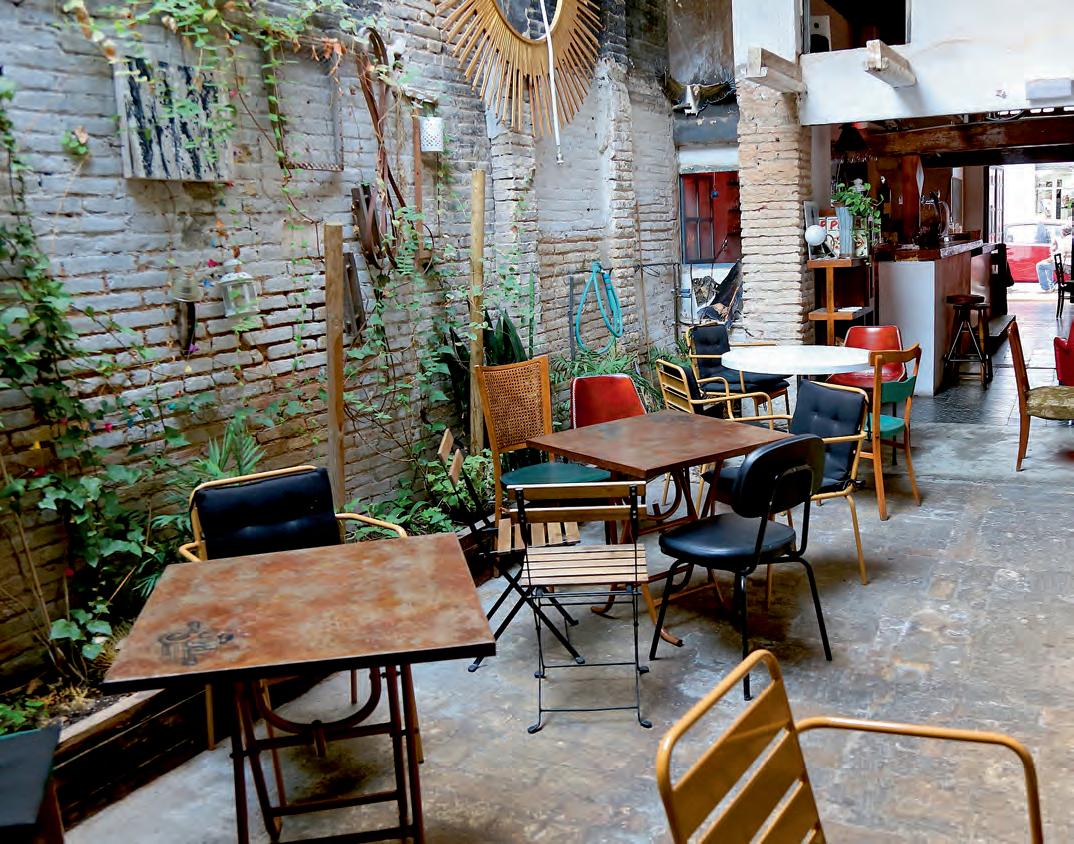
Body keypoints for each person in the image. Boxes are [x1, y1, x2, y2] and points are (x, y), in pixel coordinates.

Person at [1036, 224, 1072, 292]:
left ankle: (1046, 288)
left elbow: (1062, 254)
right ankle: (1051, 285)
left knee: (1039, 265)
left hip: (1065, 265)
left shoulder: (1065, 241)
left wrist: (1051, 259)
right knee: (1047, 264)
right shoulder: (1069, 239)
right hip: (1066, 263)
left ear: (1063, 232)